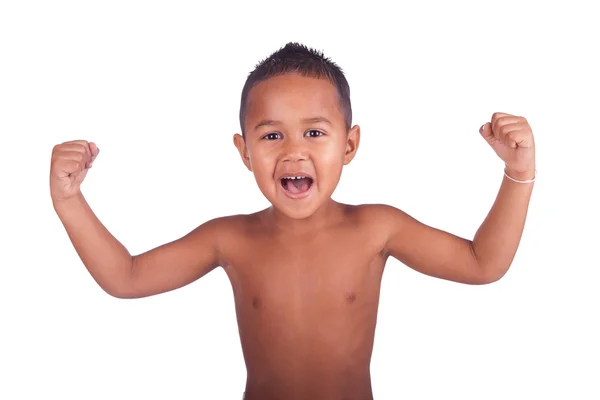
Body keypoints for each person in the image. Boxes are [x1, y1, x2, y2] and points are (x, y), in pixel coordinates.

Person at [49, 42, 536, 400]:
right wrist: (69, 201)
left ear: (349, 145)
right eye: (272, 136)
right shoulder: (229, 238)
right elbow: (126, 277)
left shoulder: (377, 229)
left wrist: (518, 174)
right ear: (244, 152)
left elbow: (482, 263)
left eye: (315, 132)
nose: (295, 150)